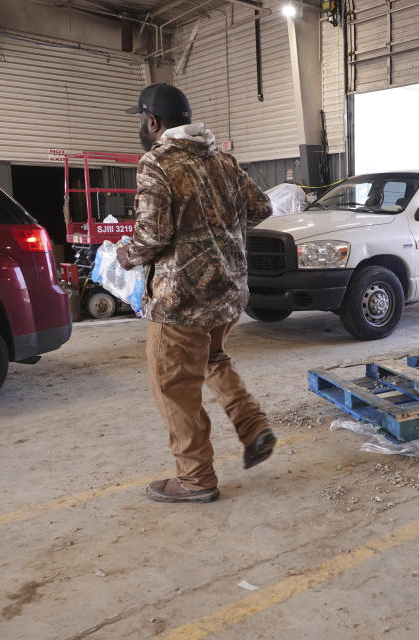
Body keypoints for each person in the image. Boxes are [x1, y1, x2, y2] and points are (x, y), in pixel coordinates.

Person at [117, 83, 275, 503]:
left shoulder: (157, 163)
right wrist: (217, 233)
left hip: (181, 301)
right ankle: (253, 425)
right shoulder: (222, 160)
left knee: (173, 387)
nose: (140, 125)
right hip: (227, 294)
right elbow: (261, 208)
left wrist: (124, 256)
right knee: (214, 359)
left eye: (140, 118)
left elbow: (152, 235)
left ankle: (195, 479)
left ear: (154, 121)